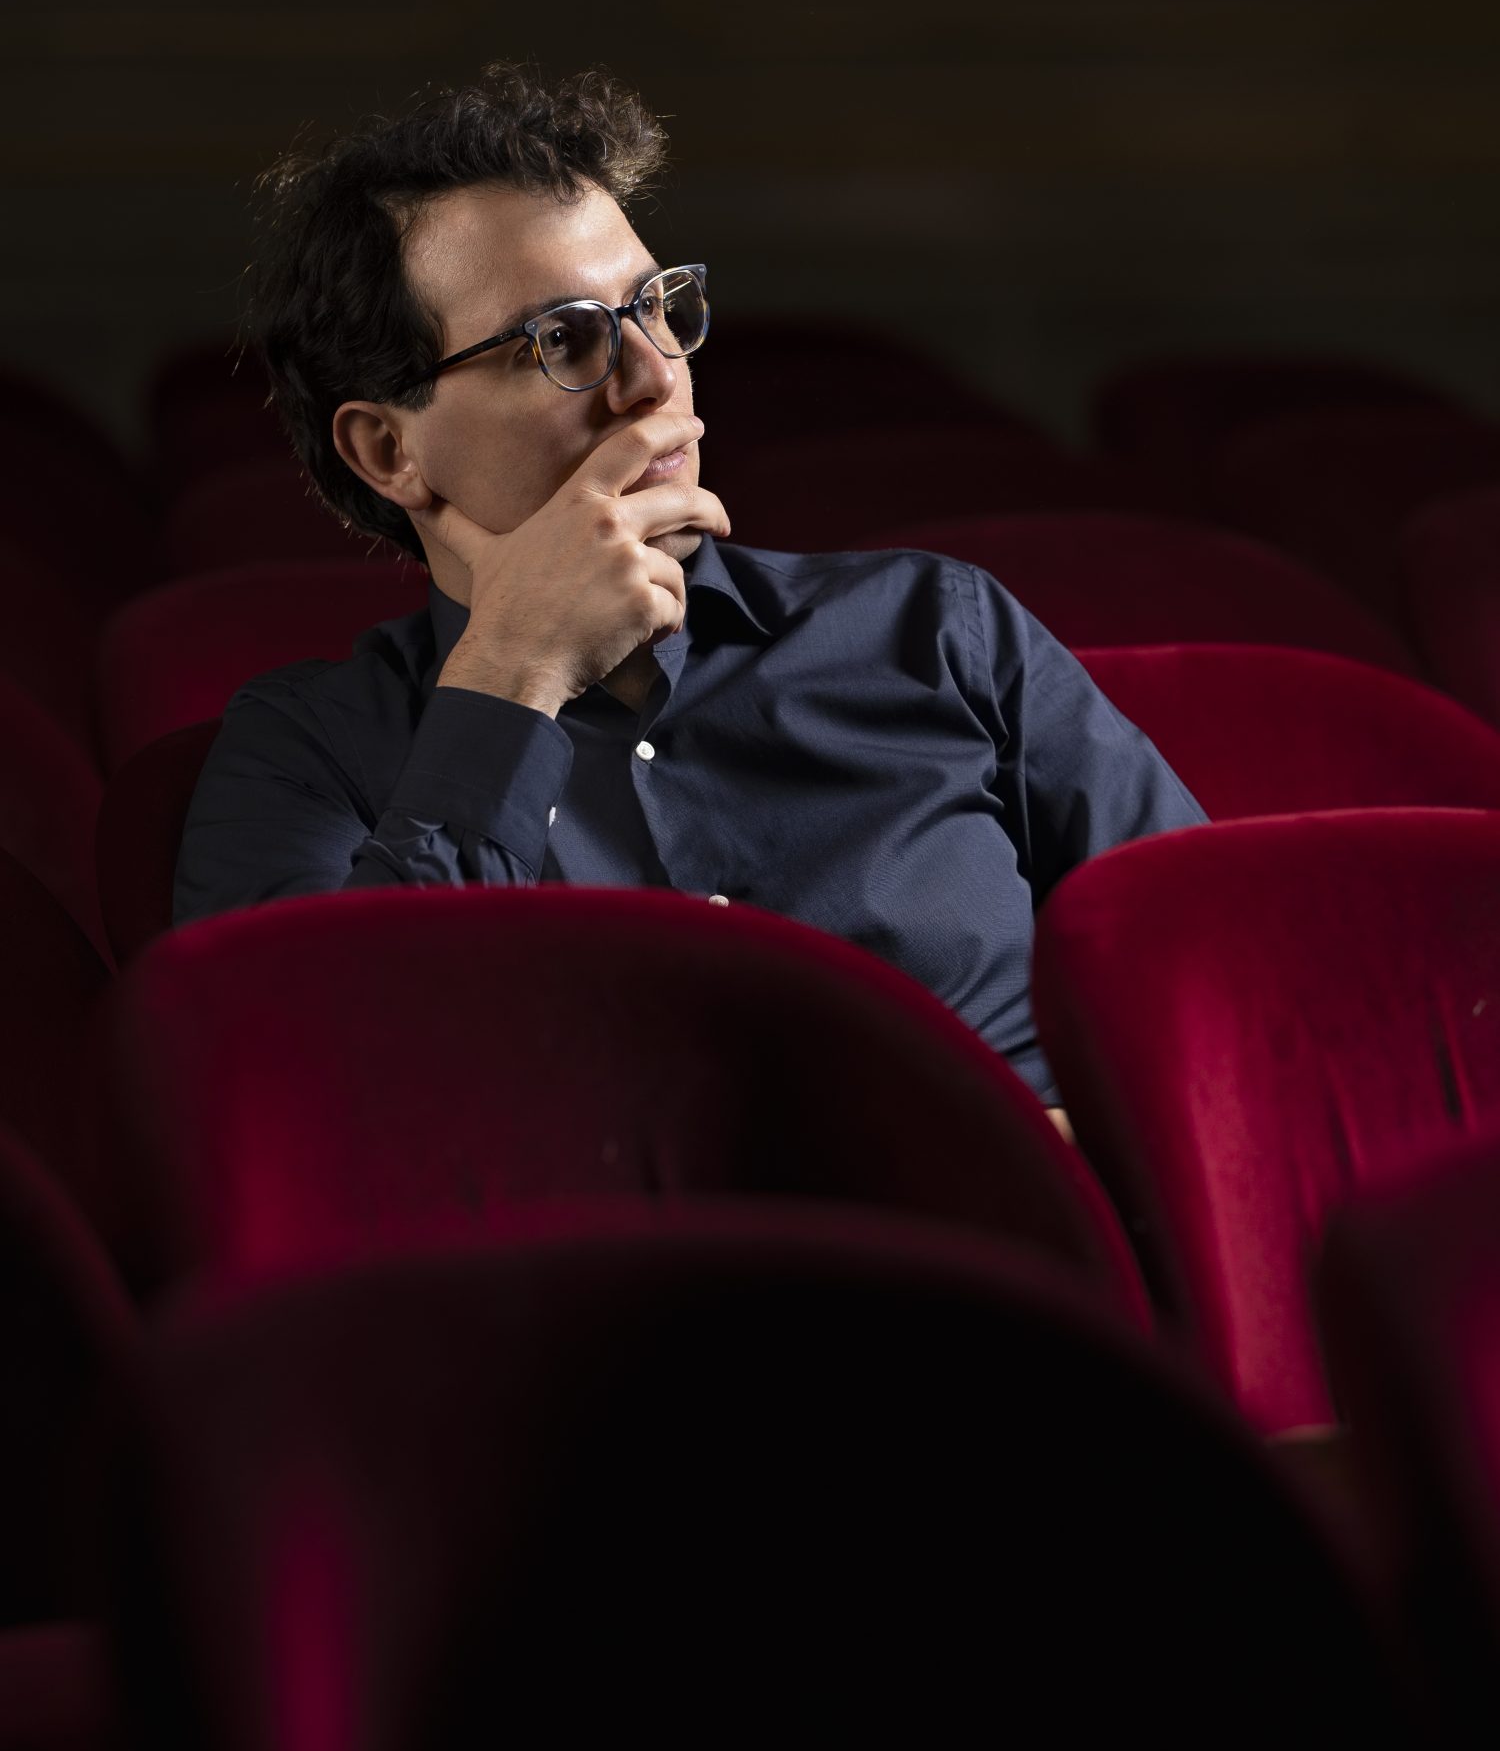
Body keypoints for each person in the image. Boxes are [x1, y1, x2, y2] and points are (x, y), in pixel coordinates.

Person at [174, 62, 1207, 1118]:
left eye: (656, 307)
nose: (656, 377)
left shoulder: (938, 630)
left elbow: (1217, 985)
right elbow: (303, 1096)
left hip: (1038, 1210)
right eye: (562, 339)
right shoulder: (304, 750)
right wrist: (515, 671)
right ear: (389, 451)